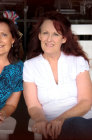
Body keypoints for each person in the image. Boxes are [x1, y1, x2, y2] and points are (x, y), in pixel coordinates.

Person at [23, 11, 92, 140]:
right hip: (51, 128)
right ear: (39, 36)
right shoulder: (29, 66)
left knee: (76, 126)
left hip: (83, 122)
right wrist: (41, 120)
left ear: (64, 38)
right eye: (45, 33)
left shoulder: (77, 61)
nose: (49, 39)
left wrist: (61, 119)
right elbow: (33, 105)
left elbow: (86, 102)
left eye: (55, 34)